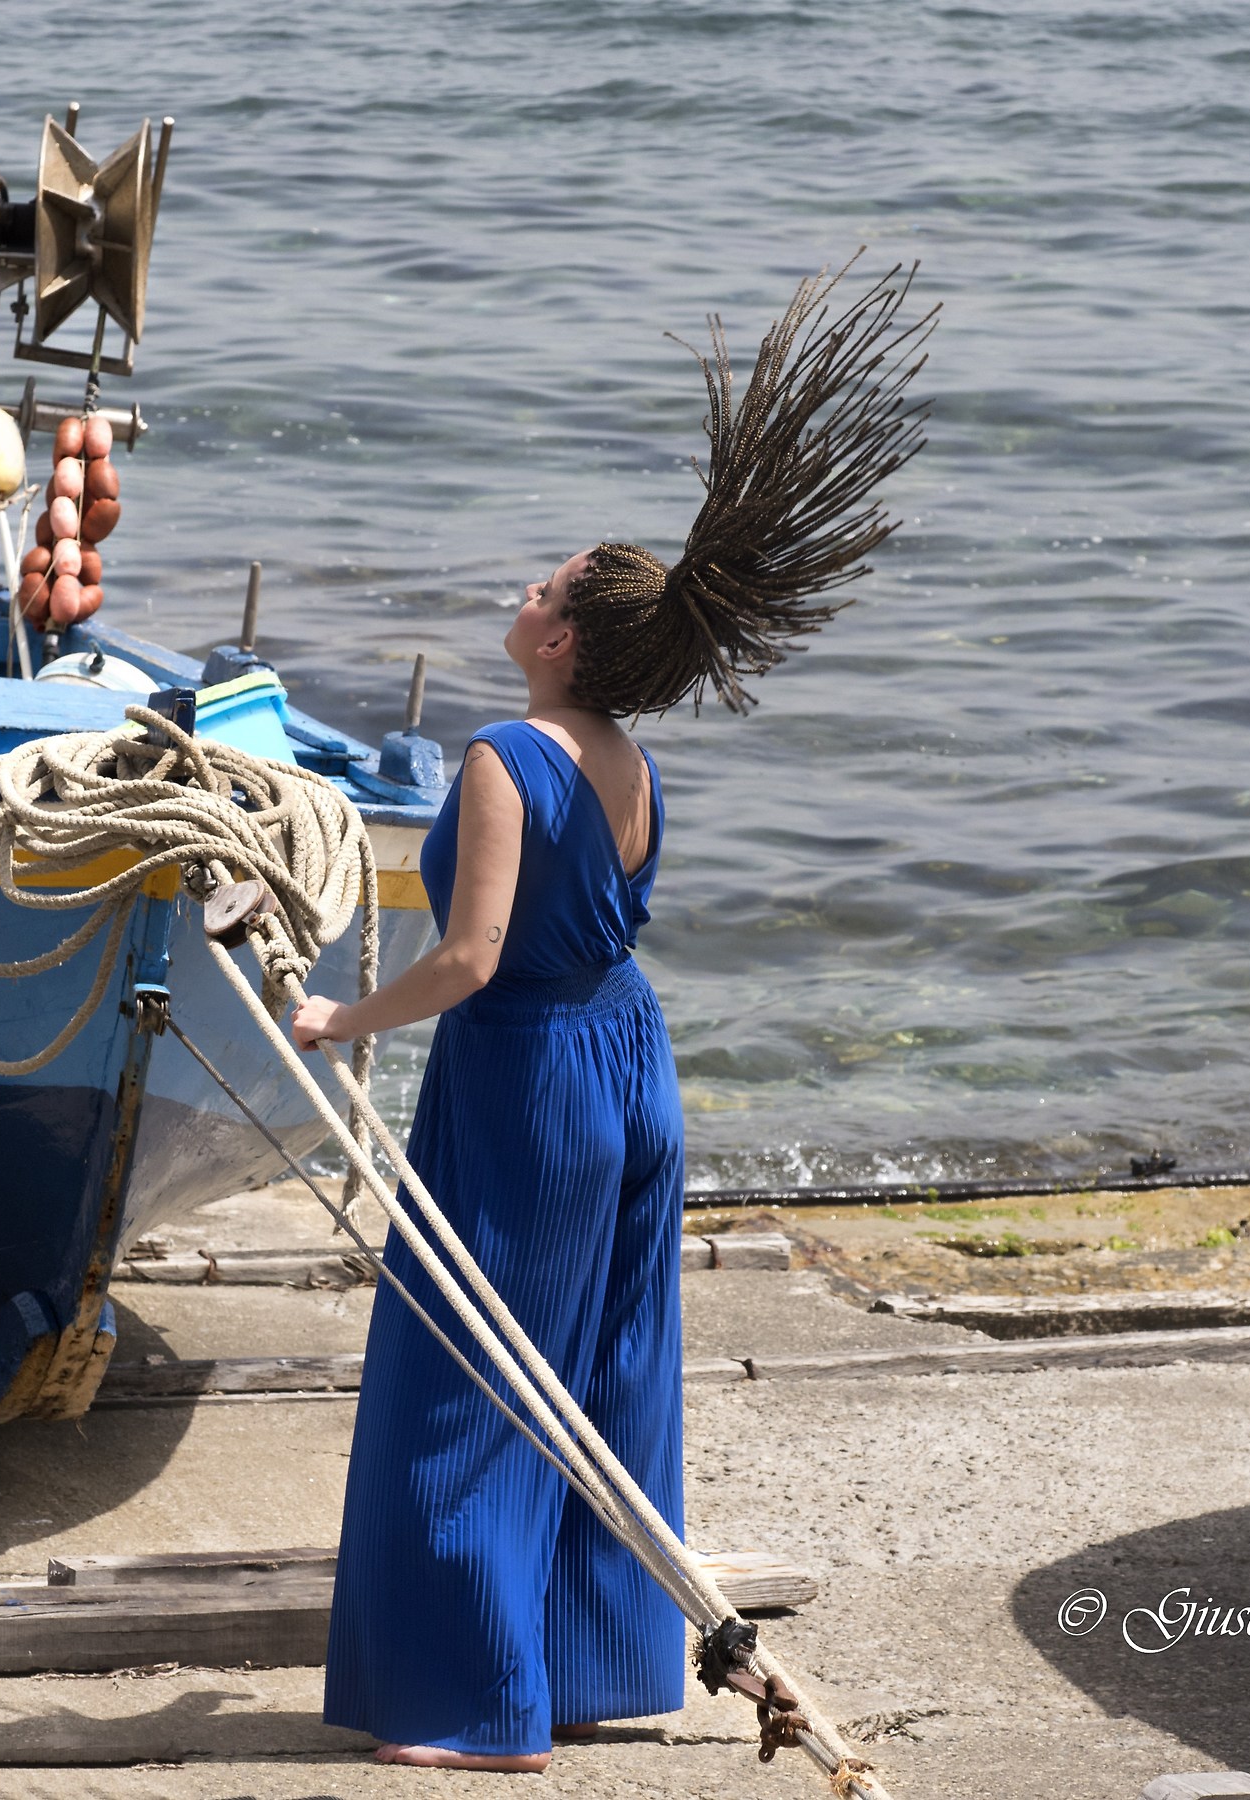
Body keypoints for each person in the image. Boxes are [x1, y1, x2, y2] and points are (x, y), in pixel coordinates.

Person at [291, 262, 936, 1770]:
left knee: (471, 1367)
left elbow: (471, 957)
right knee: (603, 1362)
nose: (520, 594)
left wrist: (340, 1020)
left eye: (541, 588)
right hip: (630, 1058)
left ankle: (479, 1708)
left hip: (524, 1075)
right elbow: (585, 933)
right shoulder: (638, 766)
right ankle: (586, 1669)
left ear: (565, 640)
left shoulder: (505, 758)